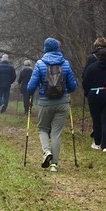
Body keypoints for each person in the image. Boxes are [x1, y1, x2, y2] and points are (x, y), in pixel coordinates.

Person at [27, 37, 77, 172]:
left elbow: (30, 87)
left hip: (45, 102)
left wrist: (32, 92)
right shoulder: (65, 63)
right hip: (62, 102)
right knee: (56, 133)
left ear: (45, 49)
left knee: (43, 129)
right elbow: (73, 86)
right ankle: (54, 164)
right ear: (58, 48)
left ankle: (46, 152)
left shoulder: (40, 63)